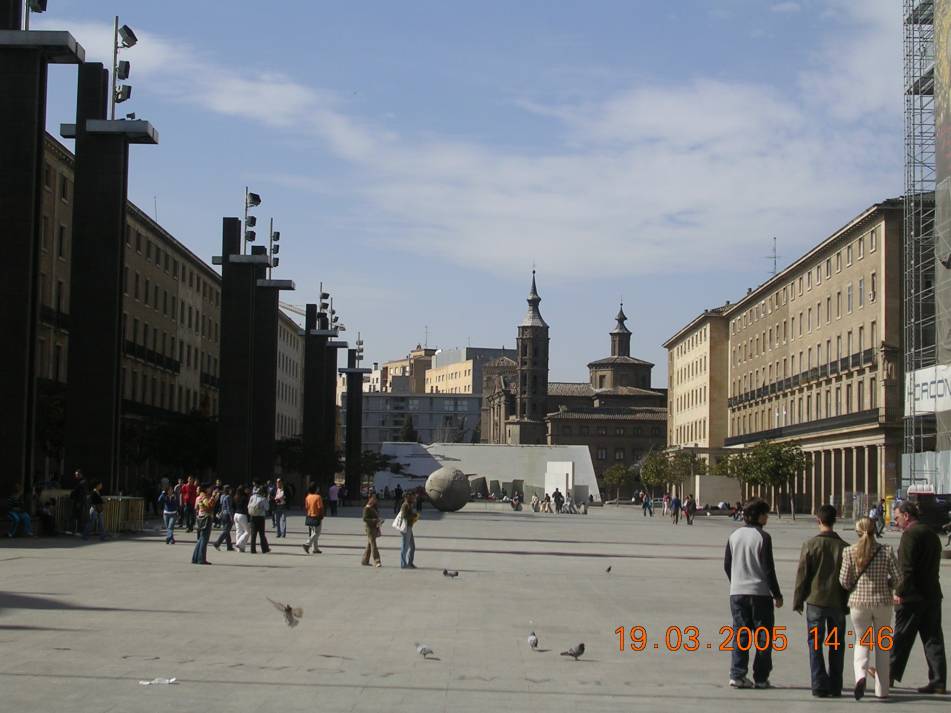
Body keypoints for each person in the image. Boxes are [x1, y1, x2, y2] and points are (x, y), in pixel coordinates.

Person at [724, 499, 783, 689]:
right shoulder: (763, 537)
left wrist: (736, 581)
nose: (767, 517)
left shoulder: (734, 536)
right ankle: (761, 678)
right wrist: (777, 594)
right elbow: (768, 569)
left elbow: (727, 564)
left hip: (737, 593)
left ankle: (737, 674)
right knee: (763, 636)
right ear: (758, 516)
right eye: (765, 514)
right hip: (760, 594)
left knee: (740, 634)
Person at [839, 516, 900, 700]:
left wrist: (854, 585)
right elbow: (898, 577)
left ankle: (861, 676)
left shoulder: (849, 551)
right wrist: (888, 585)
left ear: (858, 532)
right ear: (875, 531)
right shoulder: (886, 550)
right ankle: (882, 690)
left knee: (862, 642)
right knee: (882, 645)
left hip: (859, 604)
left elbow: (844, 581)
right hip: (883, 603)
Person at [890, 502, 947, 695]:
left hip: (912, 596)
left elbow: (906, 569)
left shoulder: (910, 535)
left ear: (906, 516)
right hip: (932, 594)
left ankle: (888, 674)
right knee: (933, 639)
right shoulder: (931, 534)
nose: (896, 522)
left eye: (897, 517)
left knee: (901, 637)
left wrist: (899, 592)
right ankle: (938, 681)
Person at [793, 504, 849, 698]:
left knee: (815, 643)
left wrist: (798, 600)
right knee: (836, 644)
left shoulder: (810, 544)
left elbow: (802, 575)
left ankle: (818, 684)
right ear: (835, 520)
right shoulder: (845, 547)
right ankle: (835, 685)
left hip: (816, 602)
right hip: (837, 602)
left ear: (818, 520)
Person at [191, 484, 219, 565]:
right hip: (206, 518)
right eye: (210, 488)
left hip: (201, 517)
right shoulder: (204, 497)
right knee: (204, 539)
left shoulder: (200, 496)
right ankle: (201, 559)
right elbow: (208, 507)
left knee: (201, 539)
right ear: (206, 489)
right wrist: (213, 497)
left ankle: (195, 558)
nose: (211, 490)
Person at [247, 484, 271, 554]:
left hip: (252, 517)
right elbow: (267, 508)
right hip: (260, 518)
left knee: (253, 534)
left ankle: (252, 549)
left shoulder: (252, 497)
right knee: (261, 534)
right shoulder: (263, 499)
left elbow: (248, 506)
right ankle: (264, 549)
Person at [399, 491, 419, 569]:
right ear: (407, 497)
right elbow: (404, 516)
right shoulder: (405, 505)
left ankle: (410, 563)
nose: (413, 498)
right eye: (412, 496)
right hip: (405, 528)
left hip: (409, 527)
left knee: (412, 546)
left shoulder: (410, 505)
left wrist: (414, 515)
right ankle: (403, 564)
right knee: (405, 546)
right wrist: (413, 515)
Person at [302, 483, 324, 554]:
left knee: (313, 532)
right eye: (317, 488)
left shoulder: (308, 497)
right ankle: (307, 544)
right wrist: (321, 515)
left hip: (309, 516)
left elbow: (306, 507)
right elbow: (320, 507)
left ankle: (315, 548)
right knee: (317, 533)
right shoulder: (318, 497)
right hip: (316, 516)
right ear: (315, 489)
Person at [361, 494, 382, 567]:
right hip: (369, 528)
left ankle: (365, 560)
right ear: (370, 499)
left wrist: (379, 521)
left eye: (376, 500)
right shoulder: (367, 508)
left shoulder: (374, 508)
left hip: (374, 527)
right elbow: (364, 519)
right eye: (373, 499)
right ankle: (377, 561)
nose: (375, 501)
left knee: (370, 545)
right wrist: (374, 520)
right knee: (373, 544)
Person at [213, 485, 234, 551]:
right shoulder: (228, 497)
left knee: (227, 530)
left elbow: (221, 506)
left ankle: (229, 546)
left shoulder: (222, 496)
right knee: (226, 531)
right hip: (227, 514)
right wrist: (231, 517)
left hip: (223, 514)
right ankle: (217, 543)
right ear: (228, 490)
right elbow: (229, 508)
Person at [233, 486, 251, 553]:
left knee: (238, 531)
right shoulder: (245, 498)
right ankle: (239, 544)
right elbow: (247, 507)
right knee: (247, 531)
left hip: (236, 514)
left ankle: (240, 549)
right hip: (242, 515)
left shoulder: (236, 497)